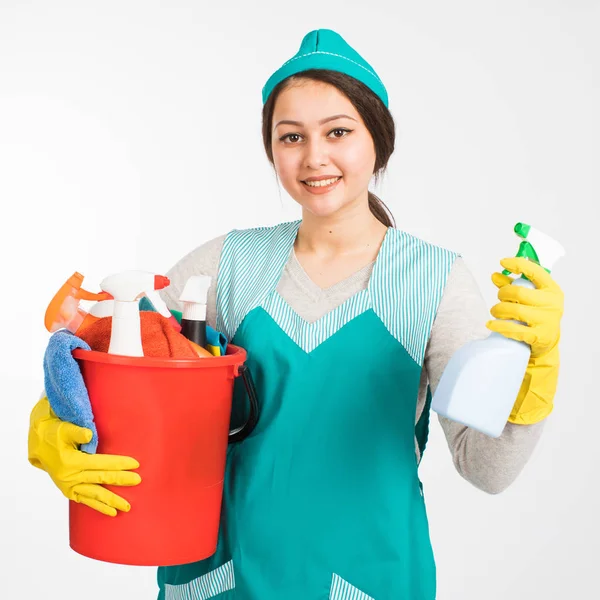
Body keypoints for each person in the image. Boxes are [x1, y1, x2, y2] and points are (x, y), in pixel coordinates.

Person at [28, 29, 564, 600]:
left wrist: (536, 371)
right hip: (222, 581)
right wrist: (51, 424)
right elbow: (118, 364)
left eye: (338, 132)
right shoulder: (227, 264)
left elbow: (487, 469)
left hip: (372, 577)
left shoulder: (434, 281)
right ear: (273, 151)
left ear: (377, 140)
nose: (314, 157)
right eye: (291, 137)